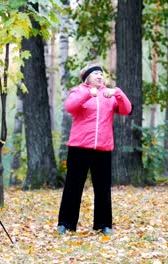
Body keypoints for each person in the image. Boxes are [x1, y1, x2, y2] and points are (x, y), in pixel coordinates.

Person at [57, 63, 132, 235]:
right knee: (73, 187)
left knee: (103, 188)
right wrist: (87, 94)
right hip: (79, 147)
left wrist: (118, 93)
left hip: (103, 149)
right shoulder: (78, 91)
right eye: (96, 73)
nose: (100, 76)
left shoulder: (109, 95)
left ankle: (104, 224)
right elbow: (70, 107)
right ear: (87, 78)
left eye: (101, 74)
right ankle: (65, 224)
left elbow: (126, 110)